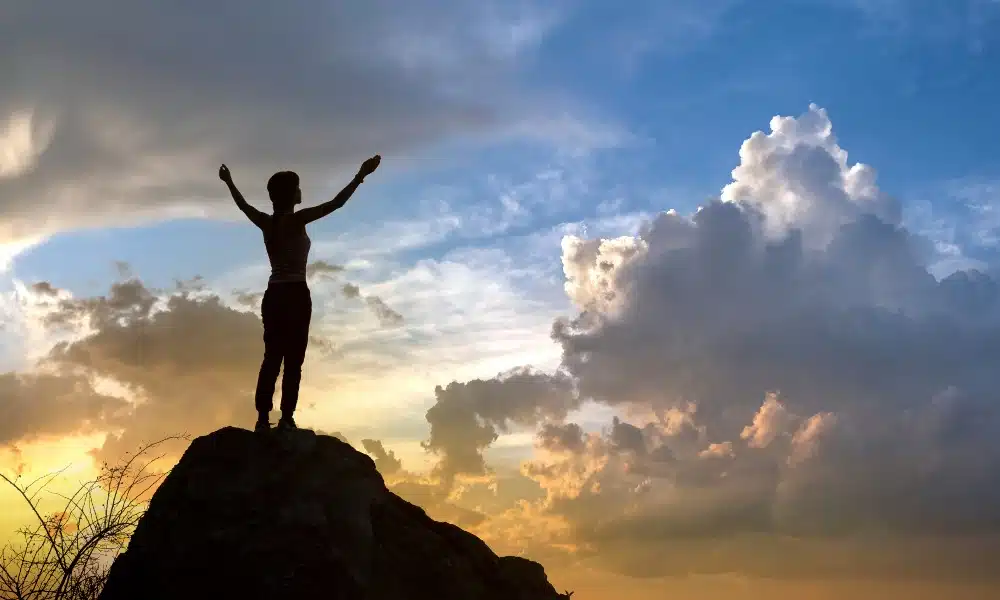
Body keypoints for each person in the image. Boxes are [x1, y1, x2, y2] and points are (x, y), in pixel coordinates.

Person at [218, 155, 381, 432]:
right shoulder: (298, 220)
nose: (301, 191)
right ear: (292, 195)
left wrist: (229, 183)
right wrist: (360, 175)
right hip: (295, 295)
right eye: (298, 188)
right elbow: (337, 203)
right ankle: (286, 418)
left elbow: (243, 205)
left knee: (272, 356)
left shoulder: (265, 222)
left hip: (273, 296)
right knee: (294, 359)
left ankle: (262, 419)